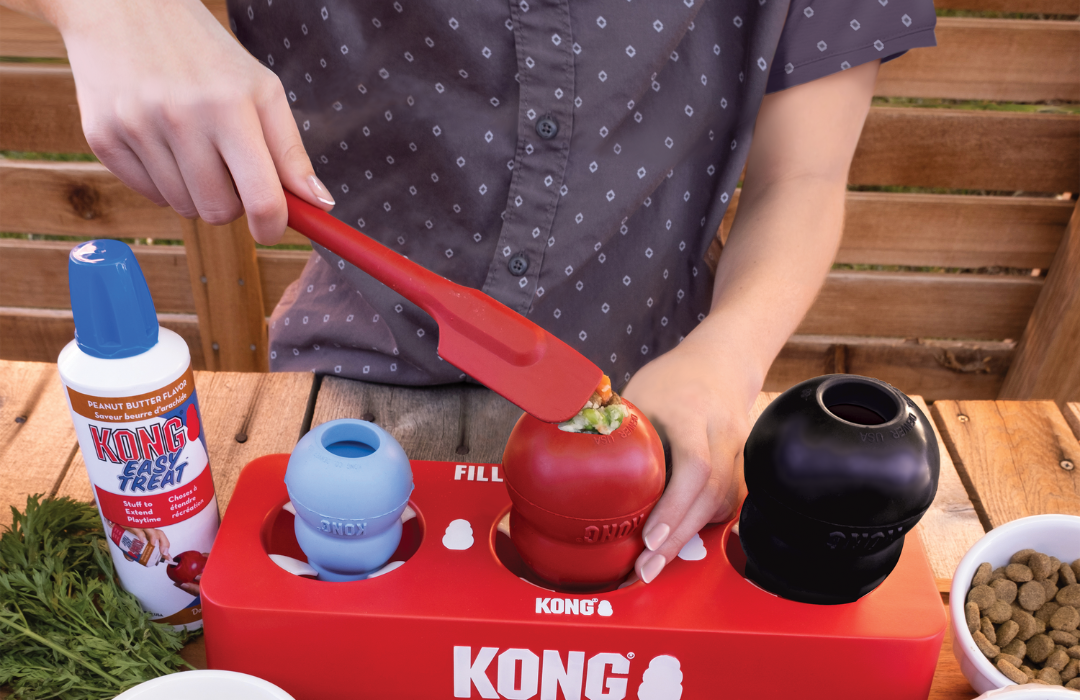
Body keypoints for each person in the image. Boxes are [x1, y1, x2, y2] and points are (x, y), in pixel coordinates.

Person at [10, 0, 936, 584]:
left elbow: (801, 181)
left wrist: (727, 360)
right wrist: (102, 10)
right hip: (349, 378)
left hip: (667, 411)